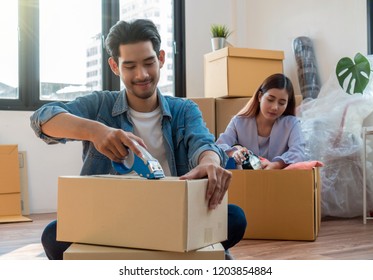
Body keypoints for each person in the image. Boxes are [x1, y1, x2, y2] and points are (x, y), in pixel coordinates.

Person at [30, 19, 246, 260]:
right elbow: (42, 119)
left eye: (149, 63)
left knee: (235, 217)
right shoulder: (101, 105)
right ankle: (167, 255)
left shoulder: (184, 109)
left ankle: (134, 255)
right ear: (114, 66)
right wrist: (96, 131)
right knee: (52, 235)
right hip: (110, 219)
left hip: (171, 215)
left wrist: (210, 162)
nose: (141, 74)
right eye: (130, 66)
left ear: (161, 58)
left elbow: (204, 145)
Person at [216, 73, 306, 169]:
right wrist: (234, 152)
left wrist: (276, 165)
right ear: (260, 96)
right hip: (247, 180)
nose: (275, 107)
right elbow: (218, 146)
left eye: (281, 103)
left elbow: (298, 153)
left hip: (280, 180)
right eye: (270, 100)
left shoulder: (292, 124)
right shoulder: (238, 122)